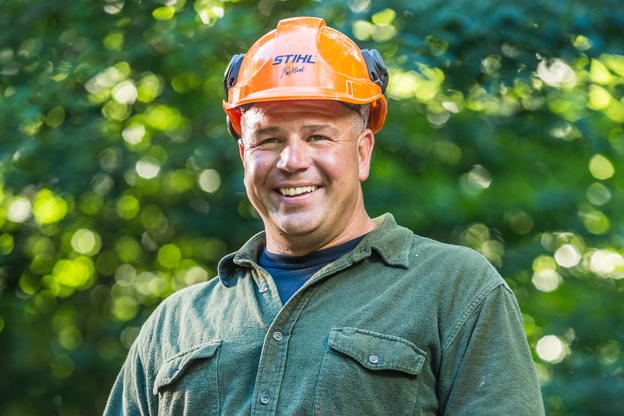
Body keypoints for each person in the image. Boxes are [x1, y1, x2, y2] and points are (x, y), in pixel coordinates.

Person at [104, 17, 545, 415]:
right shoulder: (176, 323)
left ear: (363, 152)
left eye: (318, 136)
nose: (292, 160)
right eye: (269, 140)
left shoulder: (455, 289)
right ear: (244, 155)